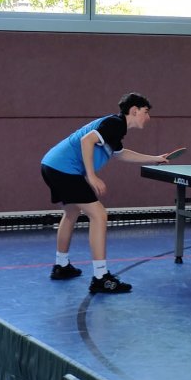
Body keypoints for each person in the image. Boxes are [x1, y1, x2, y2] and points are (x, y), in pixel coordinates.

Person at [41, 92, 172, 294]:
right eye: (145, 112)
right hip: (64, 169)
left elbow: (121, 154)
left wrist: (155, 158)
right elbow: (87, 141)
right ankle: (101, 277)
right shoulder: (115, 123)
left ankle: (61, 266)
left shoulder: (114, 129)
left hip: (51, 165)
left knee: (72, 212)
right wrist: (91, 176)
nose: (148, 117)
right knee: (99, 215)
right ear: (134, 111)